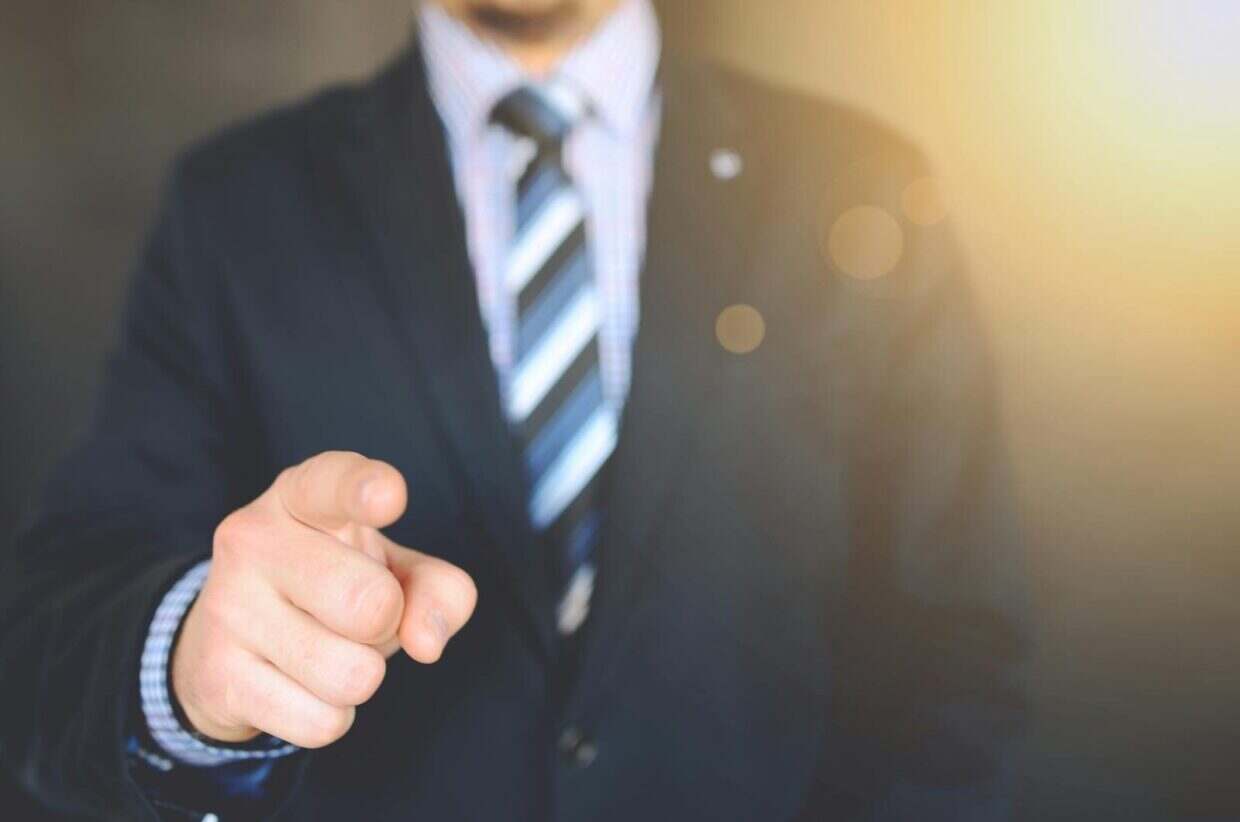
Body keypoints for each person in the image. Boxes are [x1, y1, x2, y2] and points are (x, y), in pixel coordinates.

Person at [0, 1, 1030, 819]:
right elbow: (50, 644)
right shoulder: (237, 207)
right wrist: (191, 660)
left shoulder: (859, 181)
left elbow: (958, 651)